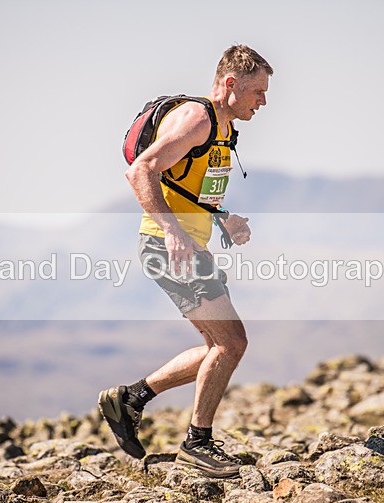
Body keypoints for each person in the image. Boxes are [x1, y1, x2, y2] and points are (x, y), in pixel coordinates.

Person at [99, 44, 272, 478]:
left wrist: (223, 218)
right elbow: (141, 170)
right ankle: (198, 444)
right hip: (168, 246)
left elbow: (186, 187)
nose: (263, 101)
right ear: (230, 84)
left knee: (220, 346)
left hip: (189, 247)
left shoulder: (224, 130)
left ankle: (131, 399)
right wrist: (174, 232)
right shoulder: (198, 118)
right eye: (258, 91)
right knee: (231, 343)